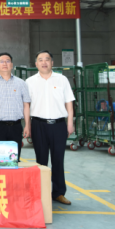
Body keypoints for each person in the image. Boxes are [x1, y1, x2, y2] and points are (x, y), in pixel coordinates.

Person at [27, 50, 76, 206]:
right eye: (40, 59)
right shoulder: (30, 82)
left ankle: (58, 193)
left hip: (59, 125)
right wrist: (27, 125)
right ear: (36, 64)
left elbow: (69, 102)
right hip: (38, 125)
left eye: (47, 59)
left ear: (52, 63)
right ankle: (40, 193)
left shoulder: (62, 80)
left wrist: (70, 122)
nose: (44, 62)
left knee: (58, 160)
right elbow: (26, 105)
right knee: (41, 160)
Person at [0, 52, 31, 161]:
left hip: (16, 127)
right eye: (1, 61)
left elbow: (26, 105)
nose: (5, 63)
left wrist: (27, 125)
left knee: (14, 160)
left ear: (12, 65)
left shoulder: (21, 83)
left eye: (7, 61)